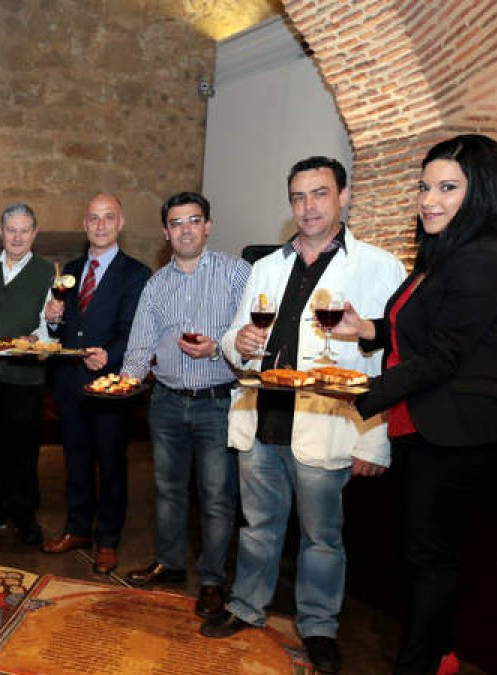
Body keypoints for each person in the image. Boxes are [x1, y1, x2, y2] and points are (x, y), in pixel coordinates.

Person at [201, 156, 406, 675]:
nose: (308, 206)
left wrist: (372, 443)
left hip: (327, 424)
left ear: (344, 197)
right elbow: (235, 338)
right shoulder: (267, 266)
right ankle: (246, 607)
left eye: (319, 194)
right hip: (264, 416)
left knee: (322, 538)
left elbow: (388, 361)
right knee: (259, 525)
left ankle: (318, 627)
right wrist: (238, 341)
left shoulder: (378, 267)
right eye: (298, 196)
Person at [333, 135, 497, 674]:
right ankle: (435, 653)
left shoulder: (489, 261)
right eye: (425, 186)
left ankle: (421, 665)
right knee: (419, 557)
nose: (429, 200)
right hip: (422, 425)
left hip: (459, 433)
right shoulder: (442, 255)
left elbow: (443, 356)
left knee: (432, 561)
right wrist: (365, 328)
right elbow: (415, 331)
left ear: (482, 193)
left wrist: (359, 395)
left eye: (447, 188)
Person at [120, 192, 249, 619]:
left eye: (194, 221)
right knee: (169, 492)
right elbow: (140, 346)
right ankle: (170, 563)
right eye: (177, 223)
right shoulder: (157, 284)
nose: (186, 230)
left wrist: (219, 350)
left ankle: (212, 580)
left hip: (217, 403)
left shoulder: (236, 274)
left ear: (208, 225)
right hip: (168, 403)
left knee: (216, 497)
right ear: (166, 232)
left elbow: (253, 337)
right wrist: (122, 383)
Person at [41, 193, 151, 575]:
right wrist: (53, 317)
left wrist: (110, 354)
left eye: (108, 218)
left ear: (120, 223)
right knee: (75, 460)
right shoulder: (68, 270)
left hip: (110, 385)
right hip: (70, 382)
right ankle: (77, 529)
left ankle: (107, 540)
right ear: (84, 224)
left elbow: (135, 330)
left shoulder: (136, 273)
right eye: (93, 218)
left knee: (111, 463)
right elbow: (60, 327)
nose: (100, 225)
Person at [0, 202, 55, 546]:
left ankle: (24, 513)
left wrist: (34, 338)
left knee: (23, 450)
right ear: (1, 233)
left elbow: (52, 325)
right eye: (11, 230)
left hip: (25, 376)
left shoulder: (49, 272)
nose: (17, 236)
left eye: (24, 230)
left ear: (34, 234)